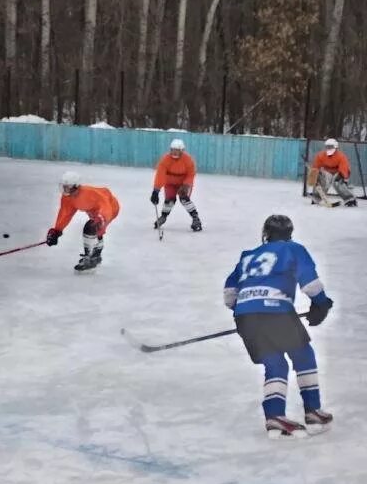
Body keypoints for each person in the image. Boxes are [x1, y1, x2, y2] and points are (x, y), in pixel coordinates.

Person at [223, 215, 334, 439]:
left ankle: (275, 416)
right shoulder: (293, 249)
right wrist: (321, 303)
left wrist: (247, 311)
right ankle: (313, 411)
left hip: (245, 316)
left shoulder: (248, 256)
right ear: (289, 234)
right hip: (276, 311)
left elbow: (229, 296)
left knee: (275, 363)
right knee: (303, 355)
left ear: (266, 234)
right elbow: (310, 282)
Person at [45, 171, 120, 272]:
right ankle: (96, 255)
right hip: (94, 211)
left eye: (68, 187)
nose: (65, 189)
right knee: (94, 230)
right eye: (64, 186)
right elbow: (65, 214)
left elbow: (106, 205)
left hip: (110, 208)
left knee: (91, 227)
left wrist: (101, 217)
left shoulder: (90, 193)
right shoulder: (67, 198)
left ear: (76, 187)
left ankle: (90, 258)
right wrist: (57, 230)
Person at [150, 139, 202, 232]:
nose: (174, 152)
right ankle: (163, 216)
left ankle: (195, 219)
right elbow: (160, 175)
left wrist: (186, 185)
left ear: (182, 150)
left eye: (177, 150)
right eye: (172, 149)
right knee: (169, 200)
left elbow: (191, 174)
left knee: (184, 199)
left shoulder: (188, 160)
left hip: (184, 183)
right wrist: (156, 191)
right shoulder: (165, 159)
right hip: (170, 183)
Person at [312, 138, 357, 207]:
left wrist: (342, 176)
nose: (329, 148)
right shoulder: (321, 155)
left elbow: (344, 167)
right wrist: (314, 177)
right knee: (323, 182)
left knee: (337, 183)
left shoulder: (341, 156)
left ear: (335, 147)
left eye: (331, 146)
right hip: (327, 171)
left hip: (339, 172)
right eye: (327, 146)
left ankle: (350, 199)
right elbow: (316, 167)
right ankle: (316, 198)